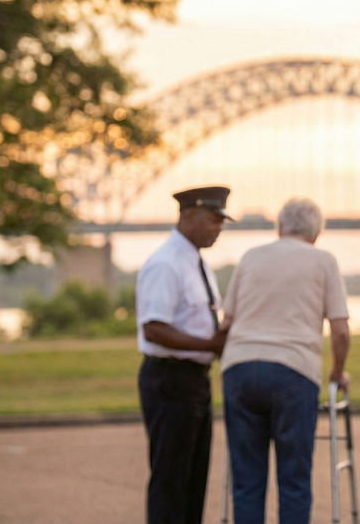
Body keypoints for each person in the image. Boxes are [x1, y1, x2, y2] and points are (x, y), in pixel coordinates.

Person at [220, 197, 351, 524]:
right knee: (294, 479)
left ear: (279, 226)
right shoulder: (323, 260)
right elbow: (340, 330)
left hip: (239, 367)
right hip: (294, 370)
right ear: (316, 232)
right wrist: (337, 371)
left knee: (246, 480)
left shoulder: (251, 256)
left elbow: (227, 322)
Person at [136, 186, 233, 524]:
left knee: (194, 479)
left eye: (221, 222)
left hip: (193, 381)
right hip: (171, 381)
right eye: (214, 220)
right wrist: (210, 346)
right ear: (189, 217)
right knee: (171, 479)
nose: (218, 229)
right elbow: (154, 328)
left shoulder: (196, 263)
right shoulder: (166, 264)